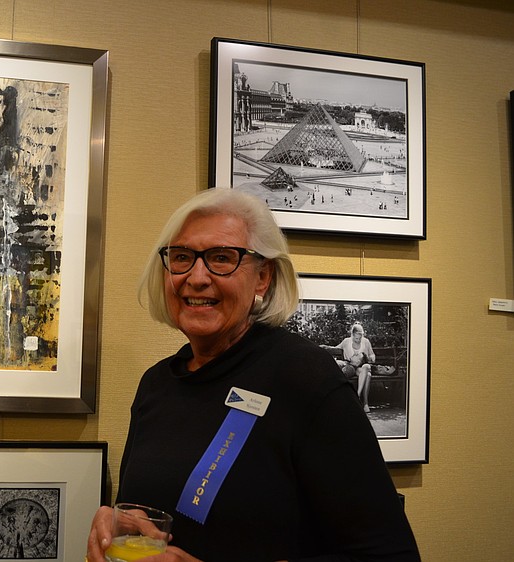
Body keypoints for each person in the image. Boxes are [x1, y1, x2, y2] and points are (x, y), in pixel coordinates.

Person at [86, 188, 419, 561]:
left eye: (221, 258)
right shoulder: (156, 384)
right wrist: (118, 523)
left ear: (263, 278)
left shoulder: (305, 377)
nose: (196, 277)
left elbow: (392, 555)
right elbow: (162, 519)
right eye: (181, 257)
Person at [335, 322, 376, 414]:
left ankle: (357, 396)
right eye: (356, 338)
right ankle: (365, 403)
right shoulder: (346, 341)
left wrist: (370, 357)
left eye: (360, 338)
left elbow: (372, 355)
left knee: (366, 367)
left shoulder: (366, 342)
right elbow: (336, 349)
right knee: (368, 375)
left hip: (361, 368)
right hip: (351, 367)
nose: (358, 340)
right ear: (352, 335)